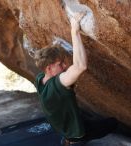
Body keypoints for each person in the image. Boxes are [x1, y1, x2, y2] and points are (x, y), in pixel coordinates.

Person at [34, 13, 117, 146]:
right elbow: (80, 66)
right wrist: (75, 31)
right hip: (78, 134)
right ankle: (73, 141)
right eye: (60, 64)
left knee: (85, 117)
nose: (65, 66)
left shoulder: (40, 79)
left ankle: (68, 138)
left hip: (65, 128)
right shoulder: (58, 84)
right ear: (49, 68)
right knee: (112, 123)